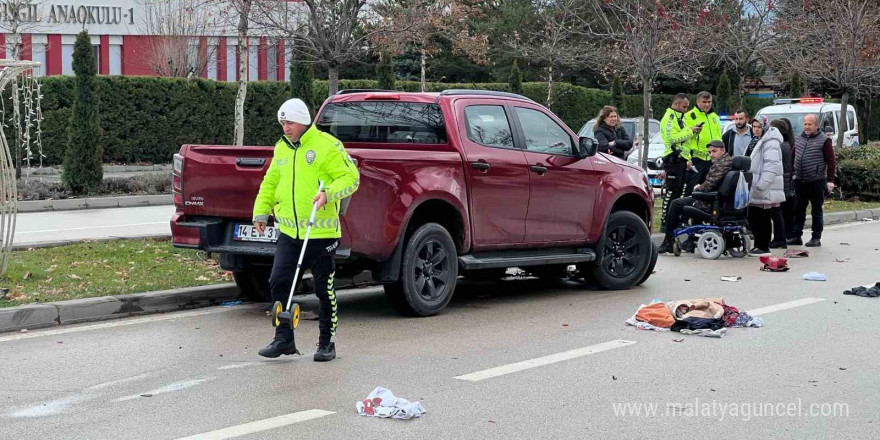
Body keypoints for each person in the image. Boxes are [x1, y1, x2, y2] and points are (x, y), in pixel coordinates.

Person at [253, 98, 360, 361]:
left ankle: (327, 343)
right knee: (279, 282)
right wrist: (261, 210)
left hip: (320, 233)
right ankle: (283, 339)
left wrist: (328, 193)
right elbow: (270, 182)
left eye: (289, 123)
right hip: (289, 232)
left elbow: (351, 178)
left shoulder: (327, 145)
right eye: (282, 123)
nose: (285, 128)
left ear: (302, 121)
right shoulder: (281, 148)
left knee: (324, 289)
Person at [658, 140, 733, 254]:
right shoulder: (726, 162)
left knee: (676, 203)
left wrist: (698, 188)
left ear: (723, 150)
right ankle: (691, 242)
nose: (711, 154)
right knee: (685, 202)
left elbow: (710, 184)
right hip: (713, 199)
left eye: (714, 151)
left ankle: (668, 241)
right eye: (709, 152)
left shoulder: (722, 164)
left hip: (711, 201)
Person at [788, 113, 836, 247]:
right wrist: (793, 173)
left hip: (816, 181)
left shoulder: (824, 140)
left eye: (810, 124)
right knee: (798, 210)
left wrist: (830, 180)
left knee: (816, 211)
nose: (807, 127)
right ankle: (797, 236)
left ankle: (816, 237)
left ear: (816, 126)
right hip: (800, 181)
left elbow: (831, 161)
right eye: (805, 124)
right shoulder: (799, 139)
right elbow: (792, 158)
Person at [659, 93, 700, 228]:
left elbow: (683, 143)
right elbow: (672, 138)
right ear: (676, 104)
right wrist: (690, 131)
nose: (686, 110)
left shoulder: (680, 118)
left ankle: (674, 220)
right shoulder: (669, 118)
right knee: (671, 192)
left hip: (681, 160)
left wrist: (687, 159)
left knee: (678, 193)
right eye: (684, 106)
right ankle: (665, 222)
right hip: (673, 160)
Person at [746, 118, 786, 256]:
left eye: (759, 127)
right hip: (755, 183)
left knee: (762, 216)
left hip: (763, 185)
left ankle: (763, 246)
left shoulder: (771, 142)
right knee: (754, 215)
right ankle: (759, 244)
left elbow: (771, 164)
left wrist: (762, 184)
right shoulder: (756, 140)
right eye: (754, 126)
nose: (755, 129)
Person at [683, 91, 723, 196]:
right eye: (704, 102)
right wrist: (687, 159)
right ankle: (687, 211)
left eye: (709, 102)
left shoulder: (714, 116)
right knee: (691, 190)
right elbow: (684, 140)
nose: (707, 104)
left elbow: (719, 137)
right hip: (697, 159)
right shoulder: (689, 116)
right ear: (697, 101)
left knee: (710, 190)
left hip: (713, 160)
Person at [770, 118, 795, 248]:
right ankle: (783, 236)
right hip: (785, 181)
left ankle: (781, 238)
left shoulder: (781, 146)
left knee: (778, 211)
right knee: (781, 212)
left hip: (782, 182)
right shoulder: (787, 144)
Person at [778, 118, 797, 243]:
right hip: (788, 181)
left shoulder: (785, 145)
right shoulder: (789, 144)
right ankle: (789, 234)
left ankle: (787, 234)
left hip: (786, 181)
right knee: (788, 211)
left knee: (786, 211)